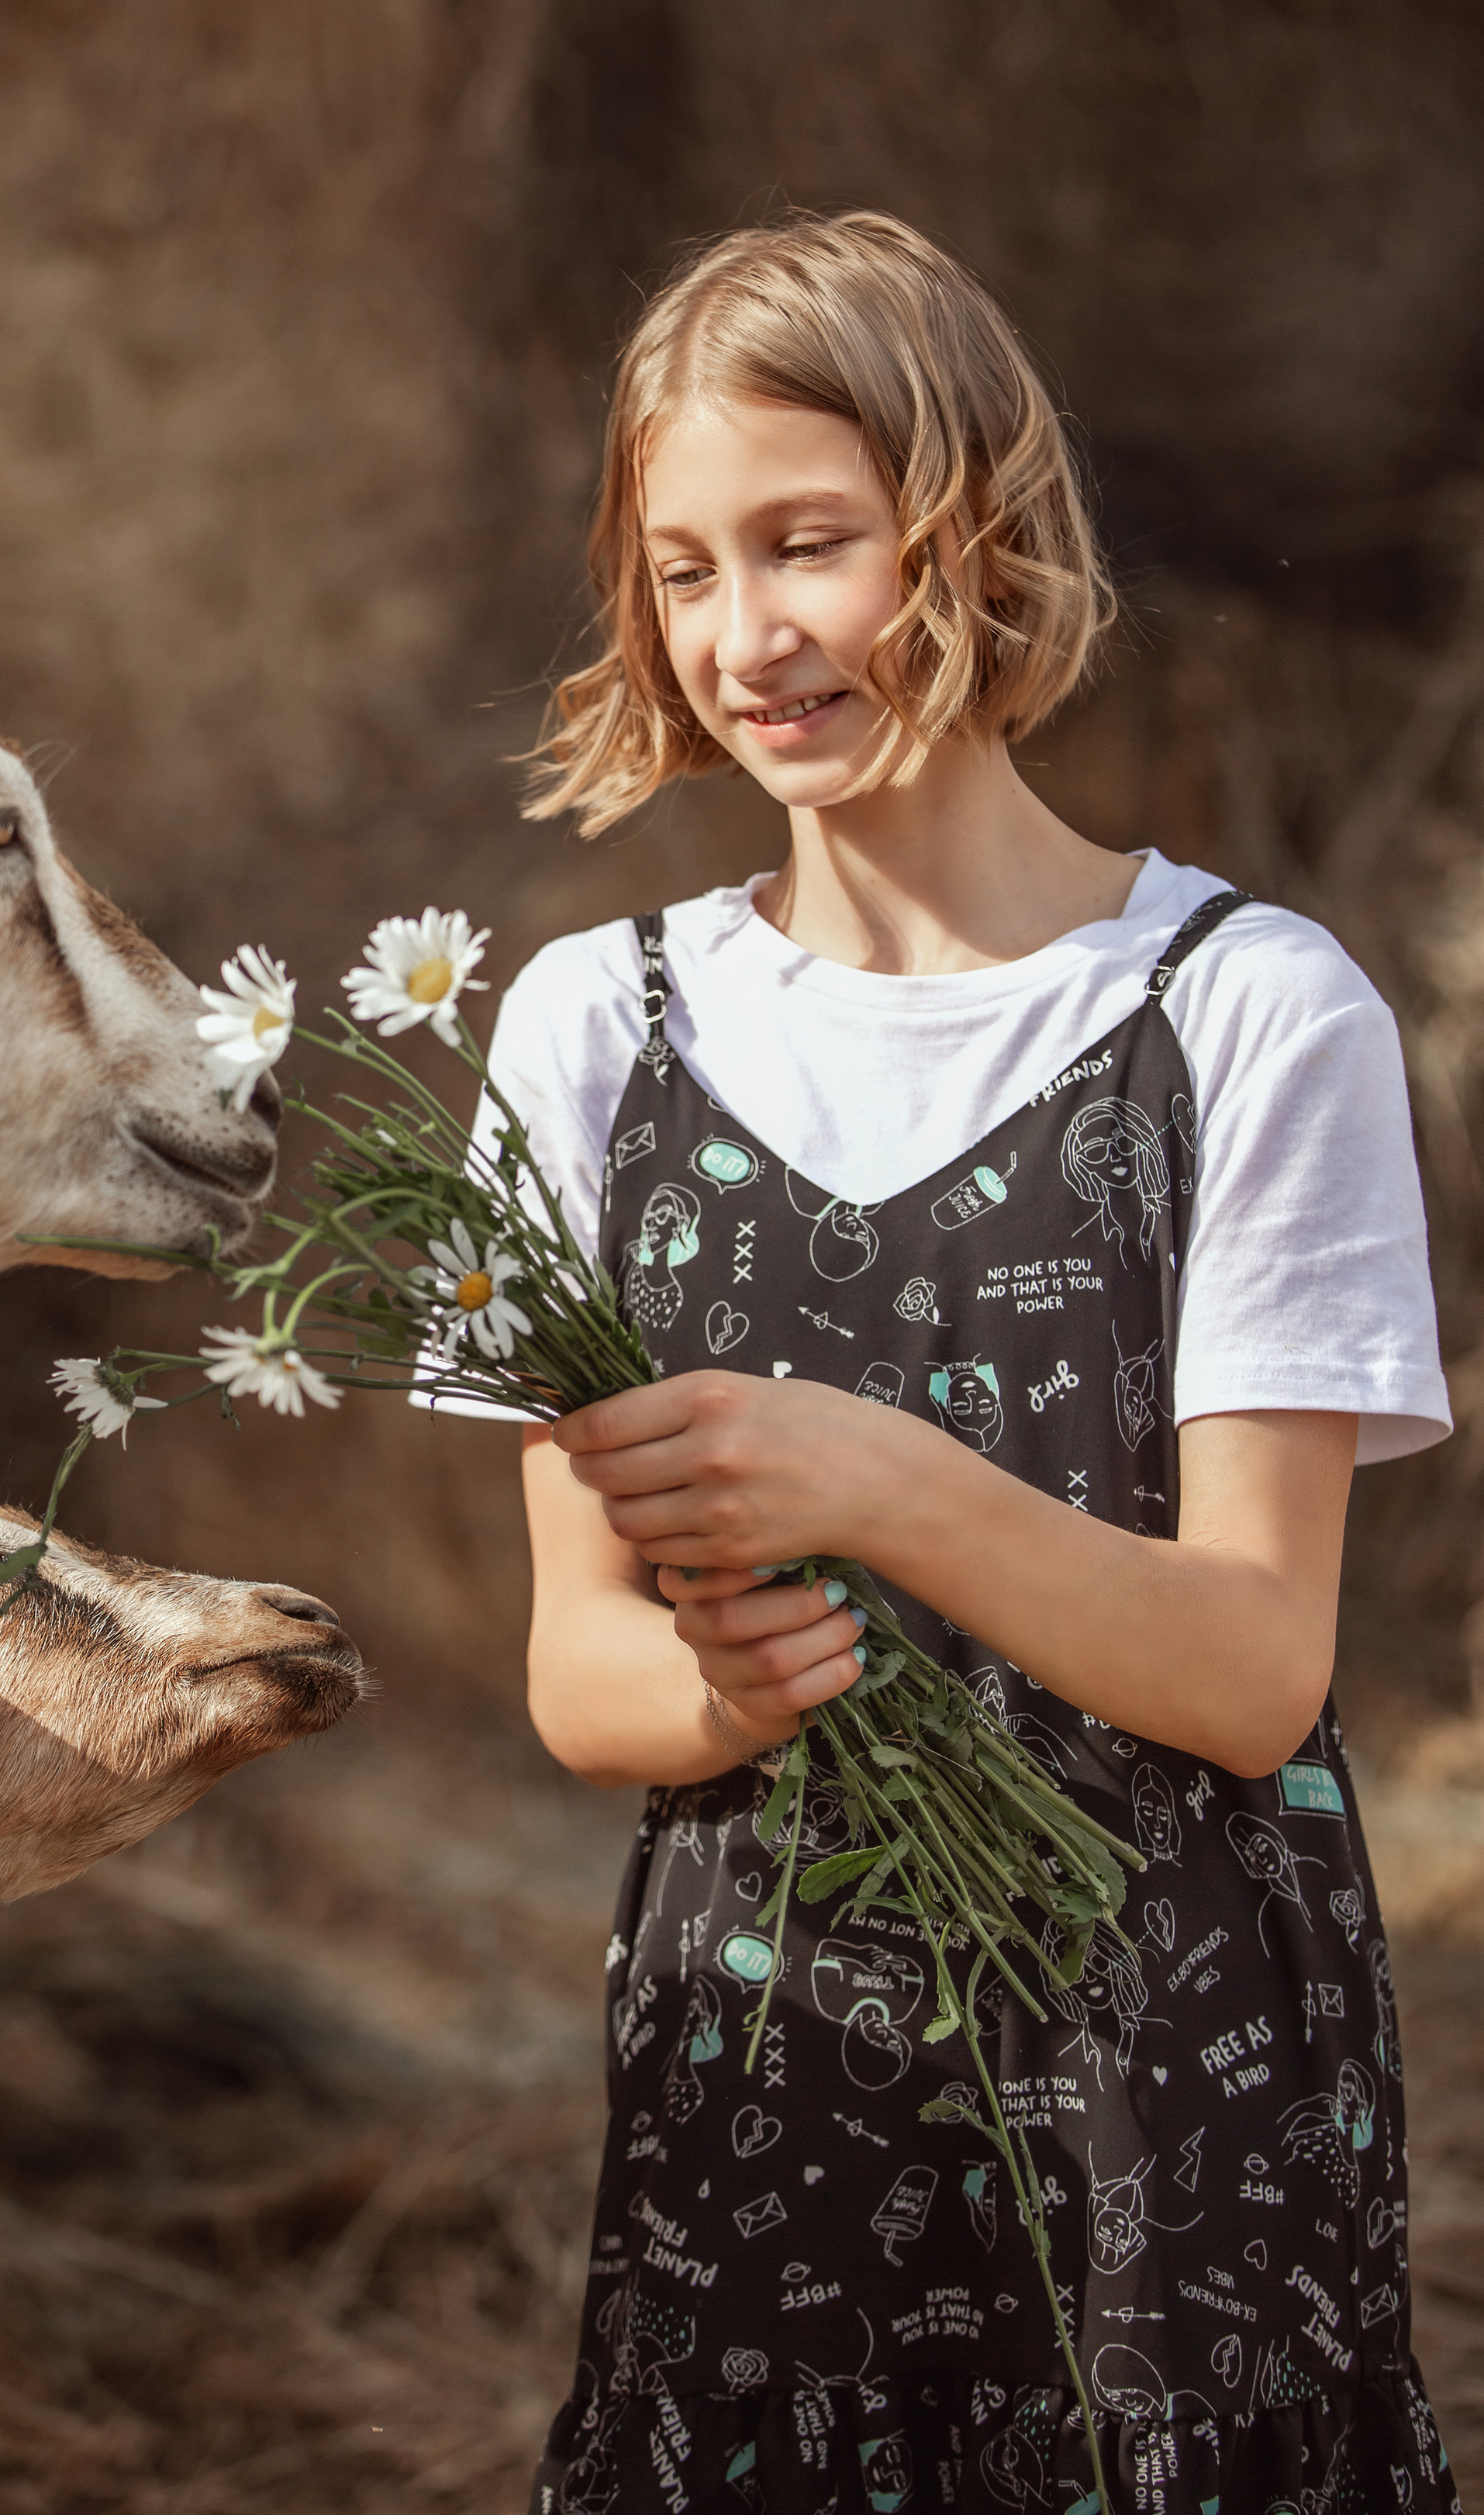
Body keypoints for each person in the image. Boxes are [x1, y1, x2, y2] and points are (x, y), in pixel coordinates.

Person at [458, 215, 1457, 2512]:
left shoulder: (1248, 1011)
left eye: (808, 544)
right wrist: (736, 1679)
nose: (744, 635)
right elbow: (577, 1675)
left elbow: (1252, 1670)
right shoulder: (589, 1031)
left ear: (977, 529)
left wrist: (876, 1479)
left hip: (1172, 2102)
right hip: (765, 2077)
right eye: (685, 568)